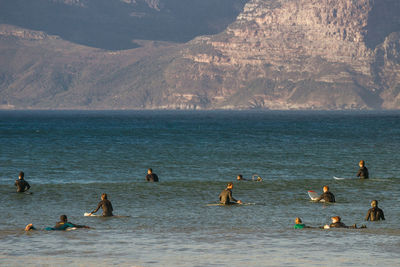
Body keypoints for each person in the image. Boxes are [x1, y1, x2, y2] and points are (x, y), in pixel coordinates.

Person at [25, 215, 90, 231]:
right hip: (54, 230)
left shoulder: (58, 223)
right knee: (39, 231)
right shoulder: (67, 223)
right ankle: (31, 227)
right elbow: (75, 226)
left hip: (49, 228)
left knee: (39, 230)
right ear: (66, 219)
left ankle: (32, 227)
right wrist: (84, 226)